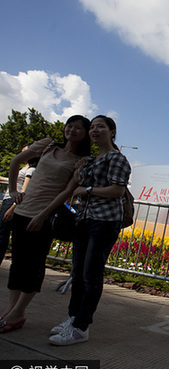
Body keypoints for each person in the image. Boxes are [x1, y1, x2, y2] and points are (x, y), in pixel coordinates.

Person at [0, 115, 91, 333]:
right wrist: (13, 191)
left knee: (34, 264)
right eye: (70, 126)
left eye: (79, 128)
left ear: (85, 134)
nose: (72, 130)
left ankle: (19, 311)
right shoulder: (48, 145)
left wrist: (43, 214)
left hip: (45, 216)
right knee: (18, 263)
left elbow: (68, 191)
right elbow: (15, 161)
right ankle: (11, 312)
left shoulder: (81, 160)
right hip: (22, 210)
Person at [49, 115, 131, 346]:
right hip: (84, 219)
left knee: (91, 275)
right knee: (78, 273)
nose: (95, 130)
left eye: (101, 127)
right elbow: (77, 184)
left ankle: (81, 327)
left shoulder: (117, 158)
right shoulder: (92, 159)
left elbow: (116, 190)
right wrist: (79, 173)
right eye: (92, 127)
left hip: (104, 221)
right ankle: (73, 318)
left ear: (112, 131)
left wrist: (88, 190)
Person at [0, 144, 39, 265]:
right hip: (9, 200)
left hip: (12, 202)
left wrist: (13, 208)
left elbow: (24, 191)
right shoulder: (26, 167)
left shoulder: (31, 170)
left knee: (2, 234)